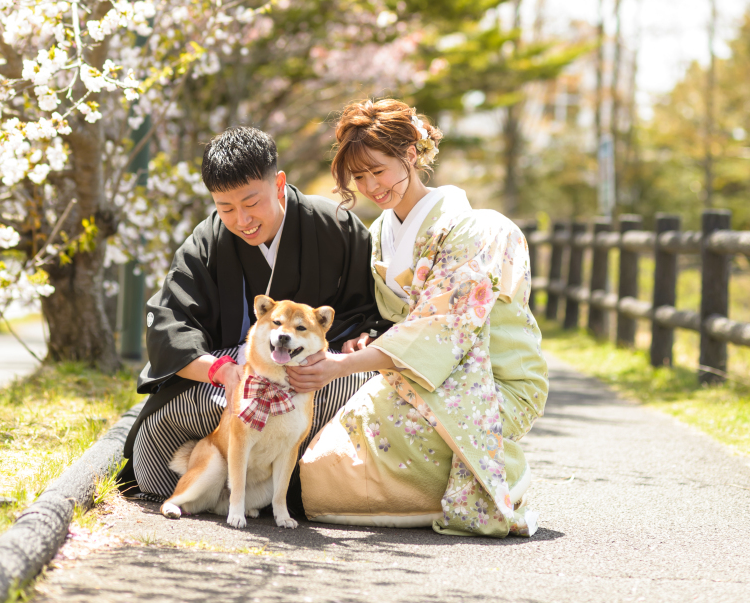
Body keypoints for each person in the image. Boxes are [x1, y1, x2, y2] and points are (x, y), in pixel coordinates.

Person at [295, 98, 548, 537]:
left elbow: (441, 326)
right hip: (423, 374)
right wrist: (364, 339)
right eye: (360, 176)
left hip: (492, 379)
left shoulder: (472, 229)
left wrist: (346, 364)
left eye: (379, 170)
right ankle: (439, 488)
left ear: (410, 155)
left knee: (349, 466)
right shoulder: (378, 235)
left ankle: (501, 476)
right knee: (325, 469)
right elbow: (385, 318)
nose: (371, 186)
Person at [120, 126, 387, 499]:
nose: (241, 220)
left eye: (251, 203)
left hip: (316, 377)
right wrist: (222, 372)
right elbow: (169, 324)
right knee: (154, 474)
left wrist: (362, 339)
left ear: (279, 185)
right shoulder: (207, 241)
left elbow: (373, 309)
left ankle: (290, 491)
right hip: (230, 376)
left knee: (356, 390)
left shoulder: (335, 226)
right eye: (225, 207)